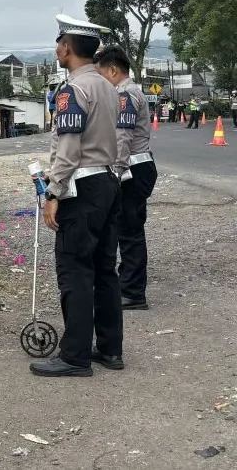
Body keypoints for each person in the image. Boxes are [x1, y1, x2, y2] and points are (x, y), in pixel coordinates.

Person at [30, 16, 122, 378]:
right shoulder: (108, 87)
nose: (56, 49)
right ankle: (110, 349)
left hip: (80, 188)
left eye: (58, 43)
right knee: (104, 270)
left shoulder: (71, 90)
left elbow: (68, 148)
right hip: (107, 182)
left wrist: (53, 191)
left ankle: (75, 356)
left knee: (75, 271)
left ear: (67, 47)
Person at [96, 46, 158, 311]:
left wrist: (115, 172)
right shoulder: (125, 94)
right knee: (125, 229)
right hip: (133, 168)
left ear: (112, 70)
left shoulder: (125, 96)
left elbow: (122, 137)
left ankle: (133, 293)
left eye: (101, 74)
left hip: (132, 170)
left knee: (130, 231)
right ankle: (128, 284)